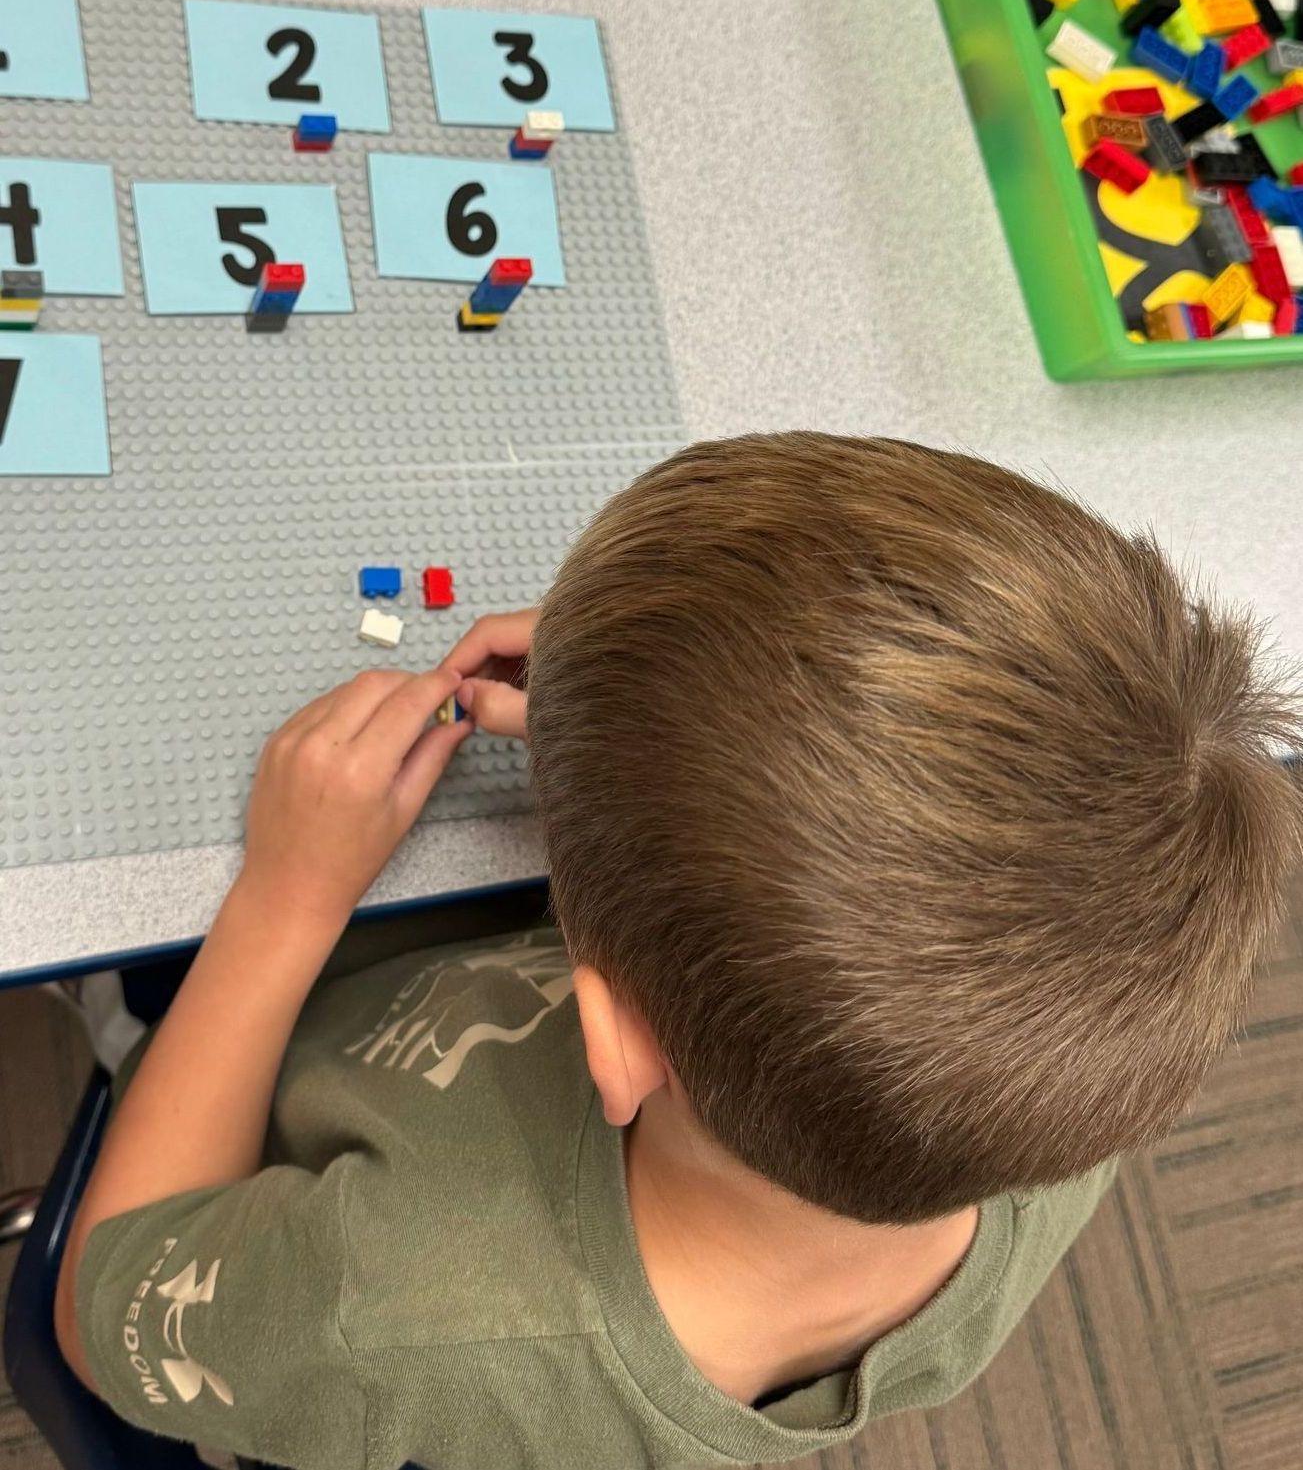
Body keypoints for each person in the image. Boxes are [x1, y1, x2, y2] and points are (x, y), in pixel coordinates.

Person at [56, 433, 1302, 1469]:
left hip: (262, 1114)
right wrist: (657, 747)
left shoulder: (378, 1312)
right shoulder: (1063, 1080)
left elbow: (99, 1306)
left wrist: (285, 898)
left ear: (616, 1042)